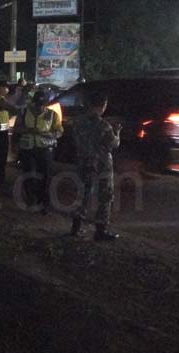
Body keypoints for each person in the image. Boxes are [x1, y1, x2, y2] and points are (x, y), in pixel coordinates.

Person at [71, 91, 122, 241]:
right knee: (105, 196)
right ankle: (100, 230)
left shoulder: (77, 122)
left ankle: (75, 227)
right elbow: (113, 144)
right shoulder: (103, 125)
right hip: (101, 163)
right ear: (103, 105)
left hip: (83, 160)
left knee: (83, 194)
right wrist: (117, 132)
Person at [15, 90, 63, 214]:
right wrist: (28, 130)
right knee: (28, 174)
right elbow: (17, 128)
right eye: (37, 104)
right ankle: (31, 200)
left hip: (45, 149)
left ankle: (43, 202)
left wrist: (46, 134)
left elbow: (59, 131)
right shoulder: (24, 112)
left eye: (42, 105)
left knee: (45, 176)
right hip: (27, 148)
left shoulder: (52, 115)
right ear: (33, 103)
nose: (39, 107)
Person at [0, 81, 19, 186]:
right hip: (0, 134)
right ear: (0, 88)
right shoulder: (1, 100)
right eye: (5, 87)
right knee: (1, 158)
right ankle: (0, 182)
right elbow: (14, 109)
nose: (8, 89)